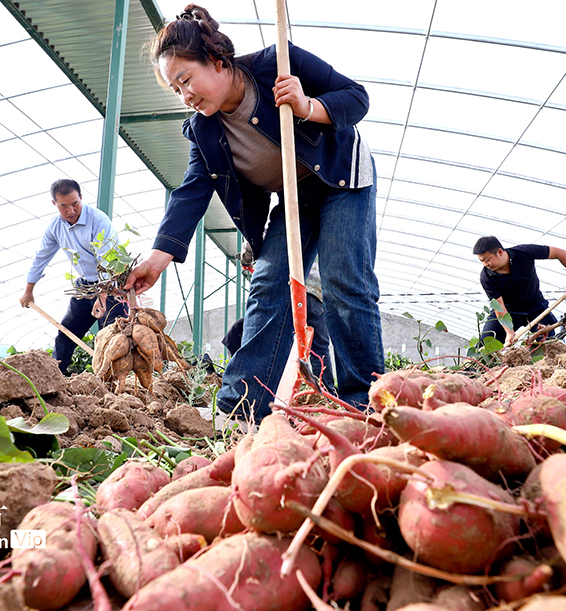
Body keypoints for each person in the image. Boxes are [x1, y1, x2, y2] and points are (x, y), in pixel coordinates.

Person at [125, 5, 384, 423]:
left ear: (216, 61)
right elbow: (192, 191)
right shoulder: (203, 130)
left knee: (343, 281)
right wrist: (159, 256)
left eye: (186, 80)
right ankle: (241, 406)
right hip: (295, 196)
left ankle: (366, 401)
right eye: (176, 90)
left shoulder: (277, 63)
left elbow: (357, 97)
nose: (185, 96)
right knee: (268, 284)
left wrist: (307, 106)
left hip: (339, 178)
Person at [19, 178, 129, 375]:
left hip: (111, 288)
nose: (70, 211)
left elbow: (106, 262)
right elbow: (41, 257)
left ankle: (114, 389)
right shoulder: (55, 227)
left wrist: (102, 297)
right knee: (65, 335)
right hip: (85, 287)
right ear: (55, 204)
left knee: (111, 340)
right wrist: (28, 291)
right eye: (64, 206)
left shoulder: (98, 220)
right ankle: (54, 377)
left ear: (81, 198)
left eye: (75, 204)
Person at [222, 259, 334, 393]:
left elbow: (253, 250)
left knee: (278, 338)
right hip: (315, 292)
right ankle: (326, 393)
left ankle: (263, 389)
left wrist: (247, 259)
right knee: (320, 346)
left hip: (288, 289)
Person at [473, 236, 566, 346]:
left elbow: (560, 253)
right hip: (509, 312)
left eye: (487, 260)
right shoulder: (486, 277)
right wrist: (509, 331)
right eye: (482, 261)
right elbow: (499, 305)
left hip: (536, 307)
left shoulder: (524, 252)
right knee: (485, 344)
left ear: (500, 252)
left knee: (549, 343)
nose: (485, 264)